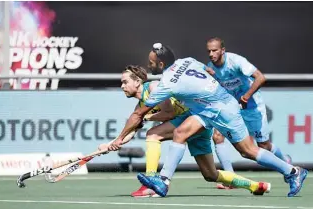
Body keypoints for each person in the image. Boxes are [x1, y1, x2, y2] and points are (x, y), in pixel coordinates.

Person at [108, 43, 307, 197]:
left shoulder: (165, 84)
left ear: (161, 64)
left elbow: (138, 114)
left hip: (221, 109)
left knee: (248, 151)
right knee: (181, 134)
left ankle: (292, 171)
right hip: (205, 110)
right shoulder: (187, 60)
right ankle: (163, 181)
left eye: (151, 63)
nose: (149, 66)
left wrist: (118, 139)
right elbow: (208, 70)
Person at [114, 65, 213, 197]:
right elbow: (131, 132)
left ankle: (150, 183)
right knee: (211, 175)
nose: (122, 86)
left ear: (137, 81)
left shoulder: (153, 87)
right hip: (186, 126)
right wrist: (114, 143)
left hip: (193, 119)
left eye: (125, 82)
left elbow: (169, 113)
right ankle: (250, 185)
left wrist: (145, 117)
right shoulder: (140, 106)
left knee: (152, 134)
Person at [206, 37, 292, 189]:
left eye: (215, 50)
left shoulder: (236, 61)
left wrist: (246, 97)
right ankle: (231, 179)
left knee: (263, 145)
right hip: (232, 108)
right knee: (217, 136)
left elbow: (260, 78)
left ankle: (285, 161)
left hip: (252, 106)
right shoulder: (210, 68)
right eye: (209, 51)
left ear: (222, 50)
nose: (211, 54)